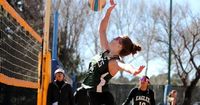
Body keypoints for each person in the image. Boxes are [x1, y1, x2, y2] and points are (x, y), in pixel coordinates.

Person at [74, 1, 145, 105]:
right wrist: (108, 12)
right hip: (88, 94)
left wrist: (133, 70)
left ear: (120, 46)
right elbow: (102, 30)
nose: (114, 37)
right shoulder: (106, 51)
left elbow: (125, 66)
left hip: (98, 98)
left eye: (117, 38)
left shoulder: (114, 62)